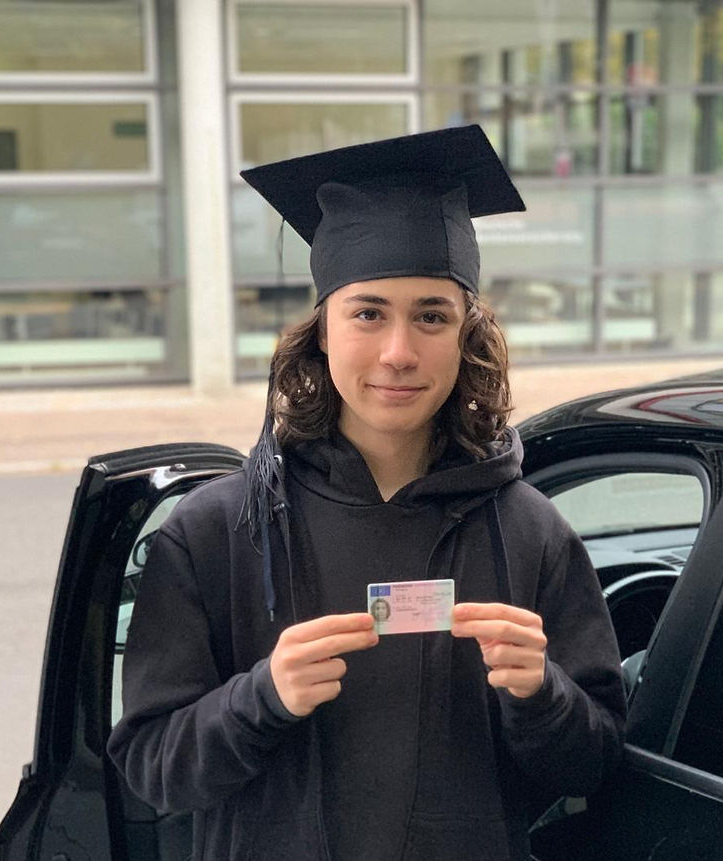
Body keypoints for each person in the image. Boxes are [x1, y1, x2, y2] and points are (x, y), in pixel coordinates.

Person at [107, 125, 626, 861]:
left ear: (466, 335)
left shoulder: (531, 532)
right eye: (368, 312)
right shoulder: (217, 531)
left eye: (432, 316)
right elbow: (152, 768)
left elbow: (594, 765)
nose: (399, 352)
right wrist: (263, 697)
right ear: (322, 330)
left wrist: (543, 696)